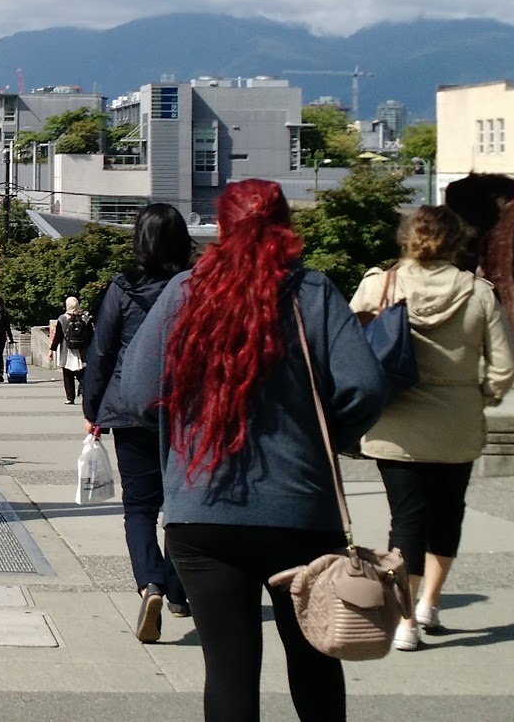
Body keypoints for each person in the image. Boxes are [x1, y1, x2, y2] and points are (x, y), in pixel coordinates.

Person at [116, 180, 387, 722]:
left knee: (230, 672)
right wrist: (320, 434)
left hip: (204, 510)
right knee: (315, 662)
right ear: (286, 226)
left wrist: (185, 427)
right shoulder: (313, 293)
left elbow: (138, 391)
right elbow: (366, 388)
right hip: (301, 511)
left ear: (221, 227)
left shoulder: (185, 292)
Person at [350, 205, 514, 652]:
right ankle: (430, 602)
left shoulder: (378, 286)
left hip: (395, 423)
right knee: (447, 514)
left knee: (405, 520)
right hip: (456, 422)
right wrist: (480, 396)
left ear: (406, 238)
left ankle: (404, 623)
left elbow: (345, 351)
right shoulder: (479, 293)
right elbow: (502, 367)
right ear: (455, 241)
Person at [82, 202, 194, 641]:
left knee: (140, 506)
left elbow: (102, 352)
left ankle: (149, 582)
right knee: (185, 505)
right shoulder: (193, 288)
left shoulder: (122, 289)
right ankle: (180, 591)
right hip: (186, 410)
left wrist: (94, 409)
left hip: (130, 407)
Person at [48, 295, 93, 405]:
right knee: (82, 374)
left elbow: (58, 337)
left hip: (67, 350)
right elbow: (91, 335)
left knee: (67, 375)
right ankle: (84, 392)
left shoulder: (62, 319)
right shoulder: (85, 318)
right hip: (82, 350)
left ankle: (70, 397)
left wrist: (51, 350)